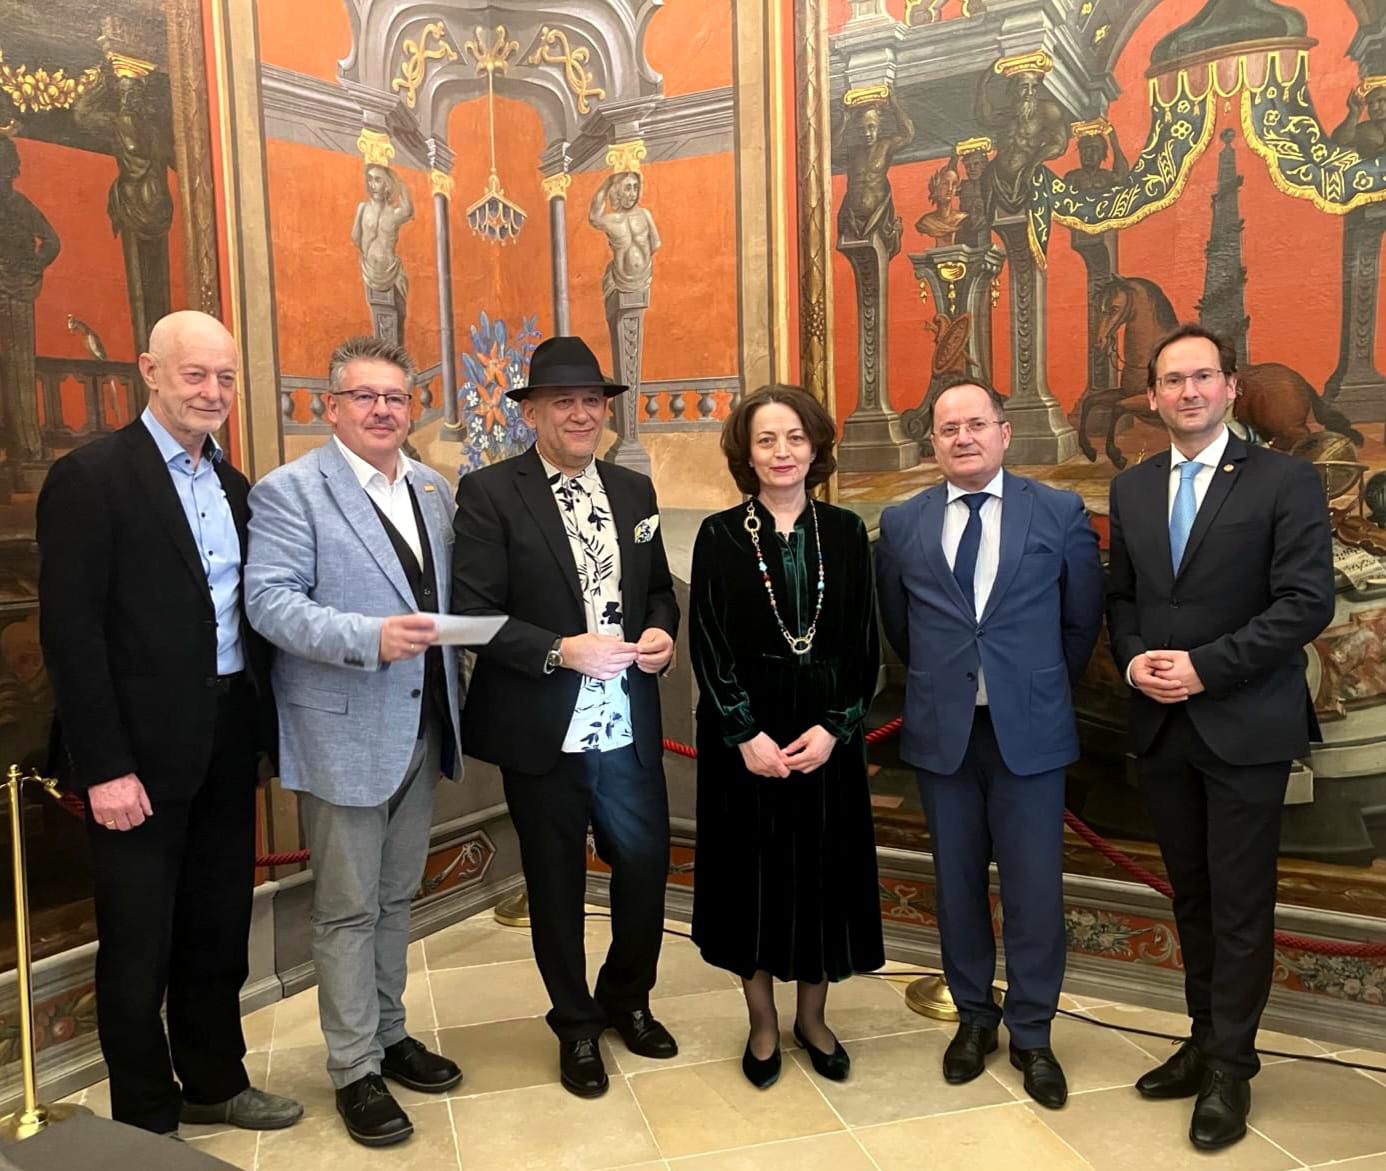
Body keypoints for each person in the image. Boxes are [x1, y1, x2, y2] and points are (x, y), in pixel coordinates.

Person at [36, 310, 301, 1138]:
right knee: (138, 944)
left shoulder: (236, 486)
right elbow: (71, 636)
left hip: (226, 738)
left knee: (218, 927)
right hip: (135, 759)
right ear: (149, 371)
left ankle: (216, 1080)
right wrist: (104, 766)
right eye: (196, 374)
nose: (213, 392)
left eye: (226, 377)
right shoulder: (91, 478)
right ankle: (147, 1119)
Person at [1106, 323, 1335, 1151]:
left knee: (1240, 905)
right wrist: (1134, 660)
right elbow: (1124, 598)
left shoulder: (1286, 480)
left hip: (1245, 725)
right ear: (1155, 395)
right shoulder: (1132, 488)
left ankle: (1232, 1067)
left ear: (1231, 387)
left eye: (1204, 376)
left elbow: (1305, 603)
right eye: (1173, 380)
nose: (1189, 391)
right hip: (1164, 728)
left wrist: (1205, 667)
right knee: (1193, 897)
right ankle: (1204, 1040)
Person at [244, 335, 463, 1148]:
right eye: (364, 396)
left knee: (396, 898)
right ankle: (353, 1068)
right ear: (330, 406)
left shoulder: (434, 489)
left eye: (395, 397)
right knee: (345, 909)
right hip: (342, 733)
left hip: (423, 724)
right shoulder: (290, 491)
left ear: (412, 408)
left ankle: (390, 1032)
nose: (382, 410)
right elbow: (270, 602)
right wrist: (366, 637)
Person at [451, 335, 680, 1099]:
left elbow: (657, 591)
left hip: (627, 723)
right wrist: (559, 649)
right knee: (556, 885)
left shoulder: (634, 491)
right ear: (532, 413)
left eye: (592, 401)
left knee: (644, 868)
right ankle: (576, 1025)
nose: (581, 414)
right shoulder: (490, 493)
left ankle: (627, 997)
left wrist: (662, 633)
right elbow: (471, 614)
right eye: (563, 402)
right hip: (543, 727)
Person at [876, 374, 1103, 1110]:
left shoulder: (1059, 512)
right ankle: (974, 1017)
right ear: (933, 442)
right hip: (943, 735)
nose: (963, 438)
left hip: (1030, 734)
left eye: (976, 424)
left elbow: (1081, 623)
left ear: (1005, 433)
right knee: (957, 885)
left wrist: (1027, 687)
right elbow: (900, 627)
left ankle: (1032, 1033)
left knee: (1035, 891)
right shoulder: (903, 523)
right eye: (948, 428)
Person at [689, 385, 882, 1090]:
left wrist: (836, 726)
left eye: (795, 437)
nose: (782, 452)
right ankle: (763, 1022)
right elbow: (708, 643)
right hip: (746, 736)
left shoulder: (847, 532)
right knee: (753, 879)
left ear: (815, 446)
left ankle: (814, 1018)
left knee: (823, 877)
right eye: (766, 439)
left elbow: (864, 645)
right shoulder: (718, 535)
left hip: (827, 733)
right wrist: (745, 733)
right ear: (746, 452)